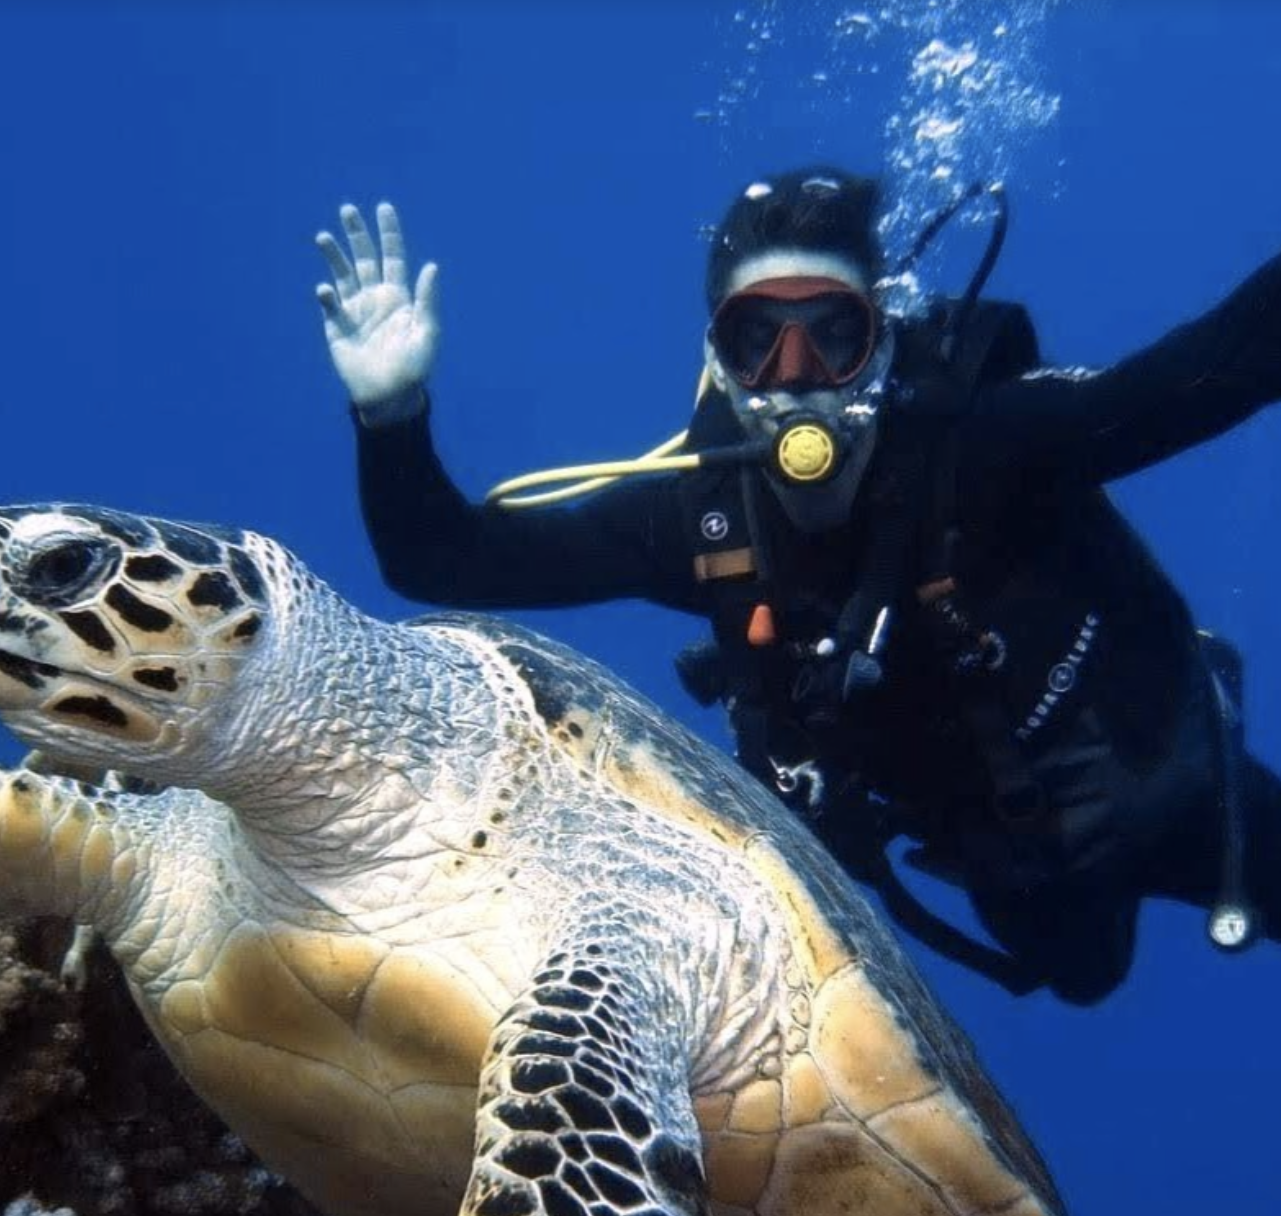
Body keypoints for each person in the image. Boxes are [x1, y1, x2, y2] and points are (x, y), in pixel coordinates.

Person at [313, 170, 1281, 1003]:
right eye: (755, 341)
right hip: (1014, 867)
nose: (795, 377)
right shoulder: (700, 526)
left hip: (1176, 782)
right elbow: (442, 562)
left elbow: (1212, 370)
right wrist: (388, 411)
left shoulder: (989, 449)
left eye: (833, 335)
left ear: (885, 344)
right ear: (716, 369)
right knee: (1083, 979)